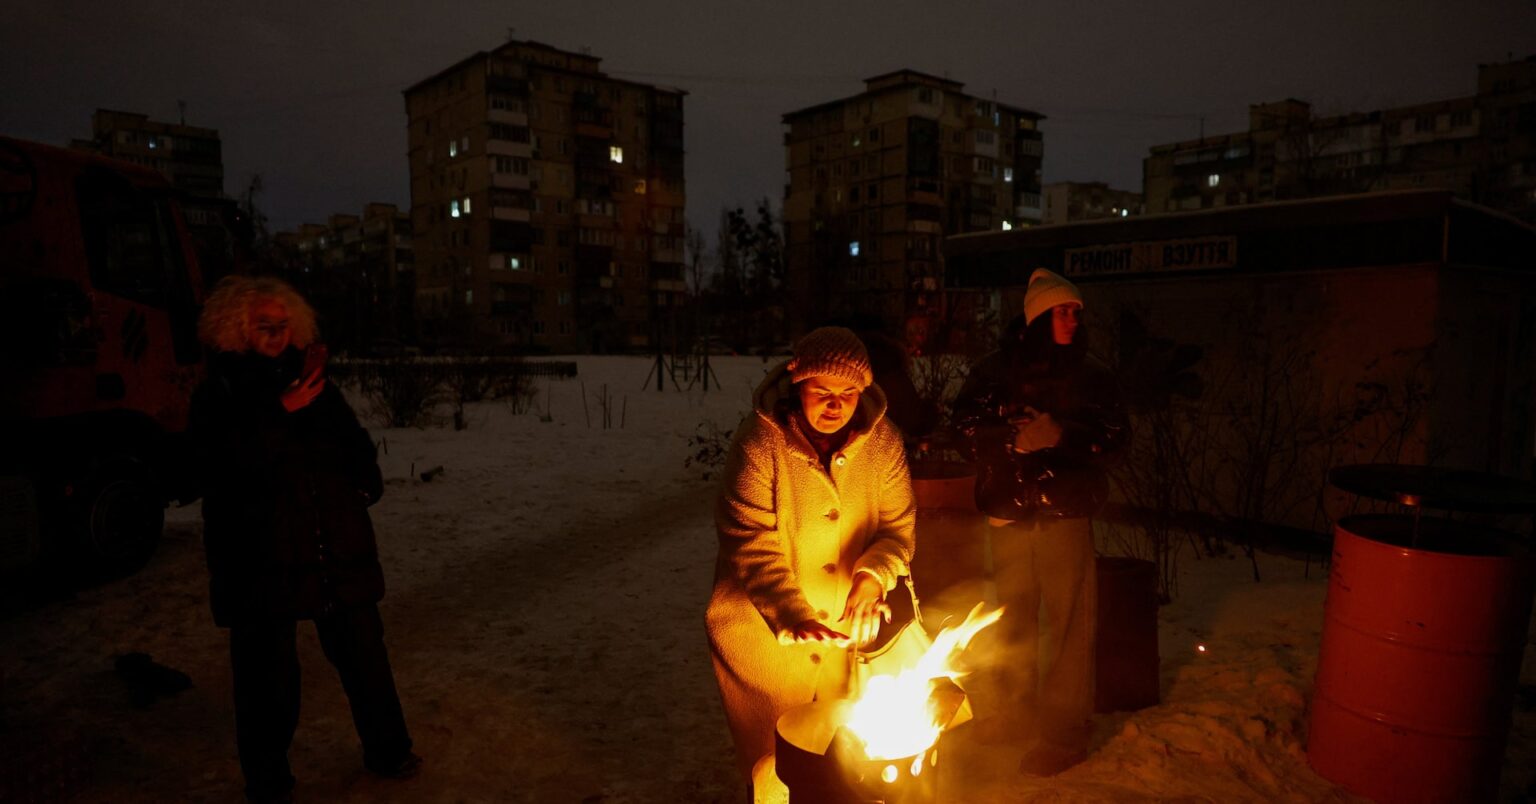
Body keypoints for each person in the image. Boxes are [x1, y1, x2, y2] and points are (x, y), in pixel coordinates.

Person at [189, 275, 418, 803]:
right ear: (236, 329)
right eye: (263, 325)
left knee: (364, 656)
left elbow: (351, 438)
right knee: (267, 677)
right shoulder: (219, 391)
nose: (275, 334)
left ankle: (389, 749)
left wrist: (365, 478)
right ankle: (268, 782)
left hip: (333, 544)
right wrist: (279, 412)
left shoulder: (313, 379)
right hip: (262, 557)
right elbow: (213, 468)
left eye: (282, 324)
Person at [705, 326, 917, 803]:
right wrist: (791, 613)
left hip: (843, 633)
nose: (835, 405)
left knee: (838, 755)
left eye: (847, 393)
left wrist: (871, 577)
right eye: (822, 392)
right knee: (772, 763)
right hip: (762, 635)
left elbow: (898, 529)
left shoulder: (883, 443)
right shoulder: (760, 444)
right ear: (798, 384)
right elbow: (749, 541)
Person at [952, 268, 1128, 776]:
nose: (1073, 318)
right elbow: (962, 429)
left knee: (1072, 623)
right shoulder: (994, 371)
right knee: (1011, 621)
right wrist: (1008, 439)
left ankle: (1064, 733)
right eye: (1062, 310)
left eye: (1076, 310)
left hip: (1064, 513)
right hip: (1008, 512)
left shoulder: (1092, 375)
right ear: (1036, 318)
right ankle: (1011, 716)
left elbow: (1116, 438)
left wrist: (1062, 435)